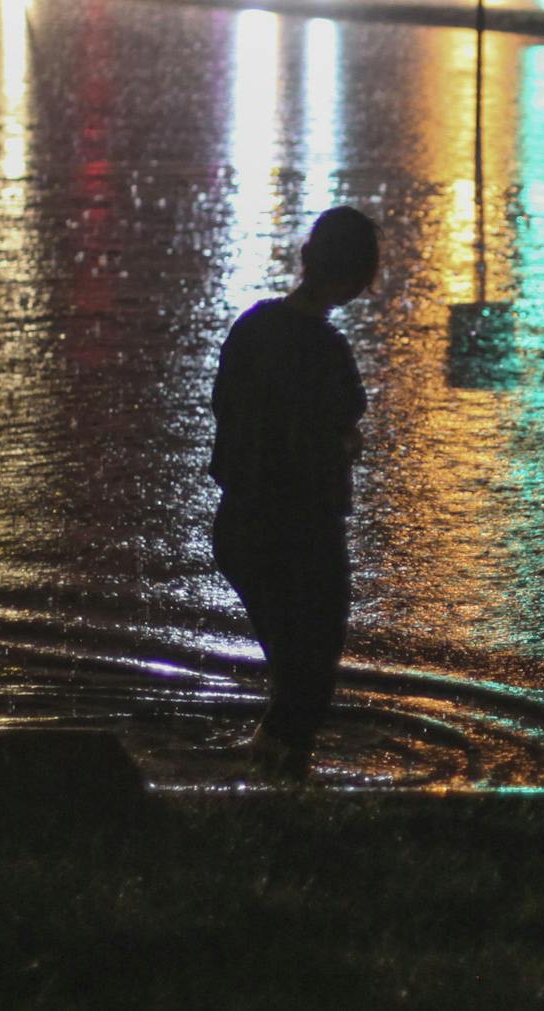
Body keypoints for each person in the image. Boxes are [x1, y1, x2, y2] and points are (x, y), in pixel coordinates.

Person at [209, 206, 380, 779]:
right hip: (302, 532)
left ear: (308, 260)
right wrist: (342, 444)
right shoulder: (328, 352)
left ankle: (268, 781)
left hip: (240, 526)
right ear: (358, 280)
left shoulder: (251, 326)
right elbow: (336, 432)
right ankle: (280, 785)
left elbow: (227, 411)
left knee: (291, 670)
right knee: (310, 673)